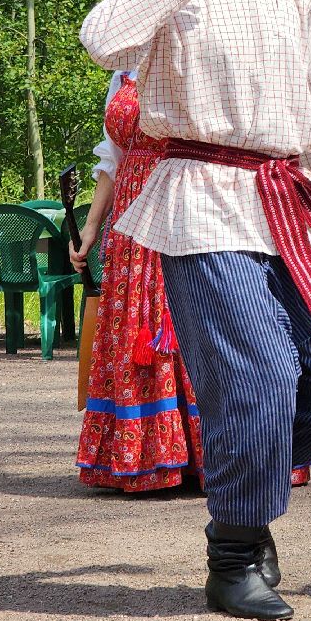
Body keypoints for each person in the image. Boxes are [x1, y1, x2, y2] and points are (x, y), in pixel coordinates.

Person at [80, 0, 311, 621]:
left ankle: (249, 486)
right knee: (259, 379)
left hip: (289, 201)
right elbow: (103, 40)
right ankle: (235, 551)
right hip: (202, 202)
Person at [70, 70, 203, 493]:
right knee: (134, 330)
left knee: (183, 322)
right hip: (129, 213)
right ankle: (146, 455)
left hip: (183, 202)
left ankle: (203, 456)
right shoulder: (121, 74)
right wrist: (91, 226)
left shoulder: (191, 56)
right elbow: (112, 157)